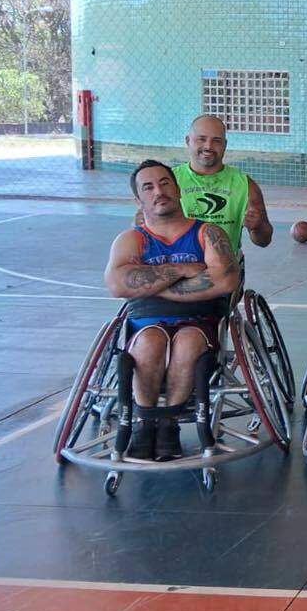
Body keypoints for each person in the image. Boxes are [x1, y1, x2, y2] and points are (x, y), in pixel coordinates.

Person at [104, 160, 240, 460]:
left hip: (200, 320)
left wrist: (150, 282)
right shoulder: (132, 239)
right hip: (146, 322)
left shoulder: (208, 233)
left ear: (177, 190)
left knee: (188, 342)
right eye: (148, 187)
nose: (159, 191)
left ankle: (168, 422)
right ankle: (145, 422)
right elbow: (117, 284)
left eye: (165, 183)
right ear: (139, 199)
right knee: (151, 342)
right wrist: (182, 270)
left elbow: (225, 280)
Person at [172, 114, 272, 257]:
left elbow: (264, 241)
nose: (208, 146)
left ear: (225, 145)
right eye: (201, 139)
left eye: (216, 141)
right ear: (188, 141)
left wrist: (258, 227)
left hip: (226, 271)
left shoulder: (245, 185)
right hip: (180, 267)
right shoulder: (168, 181)